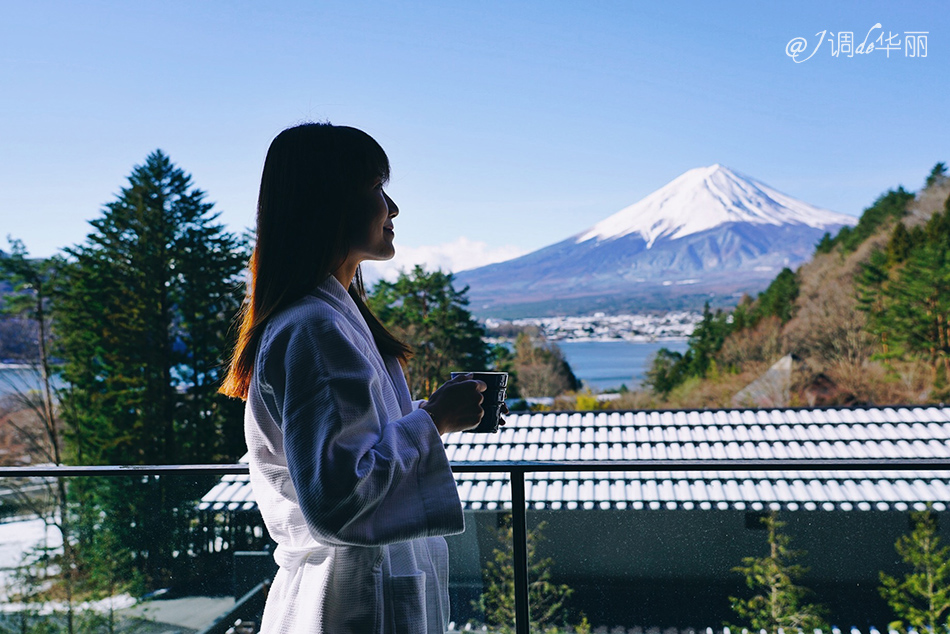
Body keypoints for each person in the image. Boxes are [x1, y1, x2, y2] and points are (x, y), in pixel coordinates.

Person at [220, 122, 492, 633]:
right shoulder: (315, 327)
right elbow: (340, 498)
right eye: (375, 189)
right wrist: (434, 419)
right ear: (328, 203)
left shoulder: (327, 318)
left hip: (355, 591)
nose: (392, 208)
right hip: (355, 603)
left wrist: (429, 421)